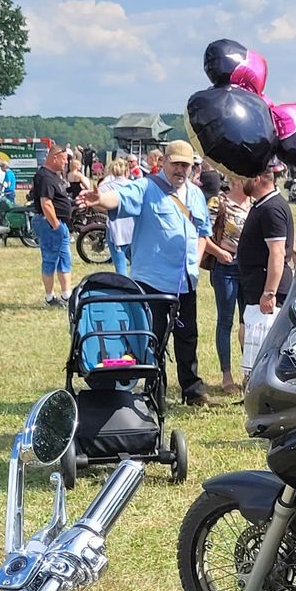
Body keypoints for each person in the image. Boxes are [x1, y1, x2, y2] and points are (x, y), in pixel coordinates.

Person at [77, 140, 214, 405]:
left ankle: (192, 391)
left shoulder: (196, 195)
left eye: (186, 165)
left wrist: (194, 263)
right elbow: (120, 198)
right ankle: (154, 391)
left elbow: (203, 233)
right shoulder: (147, 187)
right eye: (176, 164)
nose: (180, 170)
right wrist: (100, 200)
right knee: (152, 338)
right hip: (152, 281)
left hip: (186, 281)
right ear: (163, 162)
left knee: (188, 337)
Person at [238, 162, 294, 356]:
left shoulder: (272, 209)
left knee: (265, 342)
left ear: (256, 178)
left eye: (245, 177)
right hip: (256, 284)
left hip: (268, 286)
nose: (240, 181)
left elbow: (277, 253)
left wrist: (270, 292)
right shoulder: (262, 205)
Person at [207, 177, 251, 394]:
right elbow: (202, 233)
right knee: (225, 321)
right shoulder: (219, 202)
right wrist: (219, 252)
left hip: (248, 268)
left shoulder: (254, 203)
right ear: (235, 180)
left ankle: (249, 373)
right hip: (225, 266)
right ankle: (226, 376)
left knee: (249, 322)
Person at [31, 145, 74, 308]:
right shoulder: (45, 177)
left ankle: (66, 295)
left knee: (65, 259)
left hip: (59, 224)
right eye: (64, 159)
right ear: (54, 157)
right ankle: (50, 298)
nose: (66, 162)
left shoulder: (53, 175)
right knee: (50, 259)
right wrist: (56, 225)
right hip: (49, 223)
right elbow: (46, 203)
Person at [98, 159, 134, 275]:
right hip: (133, 229)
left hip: (115, 228)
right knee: (136, 265)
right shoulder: (134, 186)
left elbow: (97, 206)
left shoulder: (105, 187)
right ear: (127, 171)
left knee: (120, 268)